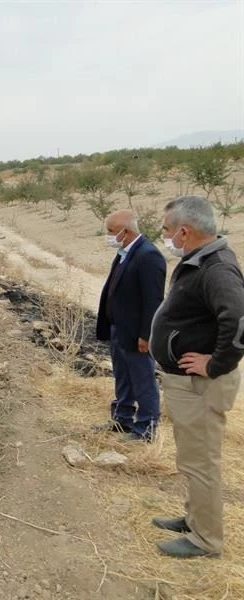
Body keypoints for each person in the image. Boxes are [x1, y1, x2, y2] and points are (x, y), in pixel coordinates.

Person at [149, 195, 244, 558]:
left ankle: (206, 541)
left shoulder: (216, 268)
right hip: (188, 386)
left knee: (202, 463)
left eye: (167, 229)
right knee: (193, 459)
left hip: (201, 385)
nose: (165, 235)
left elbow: (238, 321)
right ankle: (194, 519)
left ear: (184, 231)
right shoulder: (200, 261)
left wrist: (215, 364)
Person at [96, 209, 166, 441]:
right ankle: (123, 419)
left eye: (111, 231)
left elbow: (153, 300)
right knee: (123, 376)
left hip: (137, 333)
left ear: (126, 231)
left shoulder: (148, 256)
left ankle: (146, 428)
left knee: (143, 379)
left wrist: (146, 335)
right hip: (119, 329)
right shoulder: (124, 252)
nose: (108, 235)